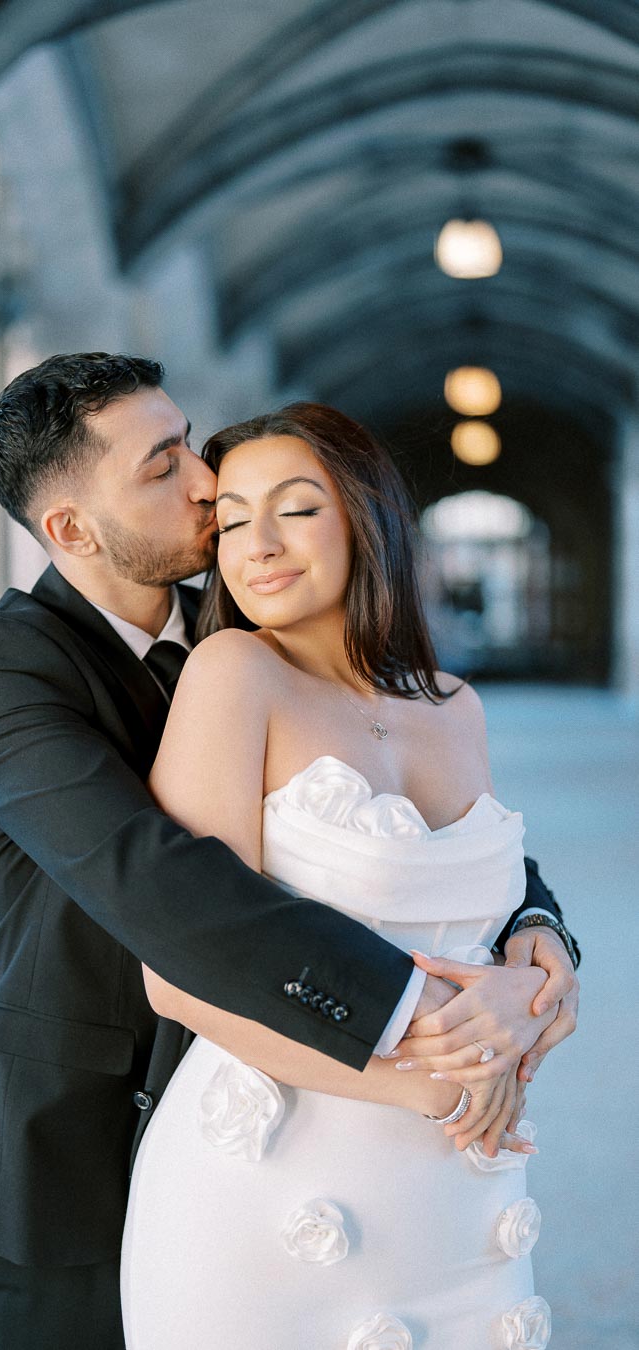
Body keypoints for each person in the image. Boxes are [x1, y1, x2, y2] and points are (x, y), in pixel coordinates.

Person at [0, 354, 578, 1350]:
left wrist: (537, 934)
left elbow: (421, 824)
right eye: (161, 467)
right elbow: (154, 876)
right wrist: (430, 1024)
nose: (205, 483)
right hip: (79, 1134)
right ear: (72, 530)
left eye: (189, 443)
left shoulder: (258, 620)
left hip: (317, 1113)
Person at [122, 403, 578, 1350]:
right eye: (232, 520)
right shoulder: (234, 673)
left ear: (366, 520)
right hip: (275, 1182)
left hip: (460, 1192)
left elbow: (489, 913)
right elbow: (178, 976)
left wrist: (536, 981)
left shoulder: (455, 706)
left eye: (295, 509)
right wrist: (431, 1090)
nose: (259, 544)